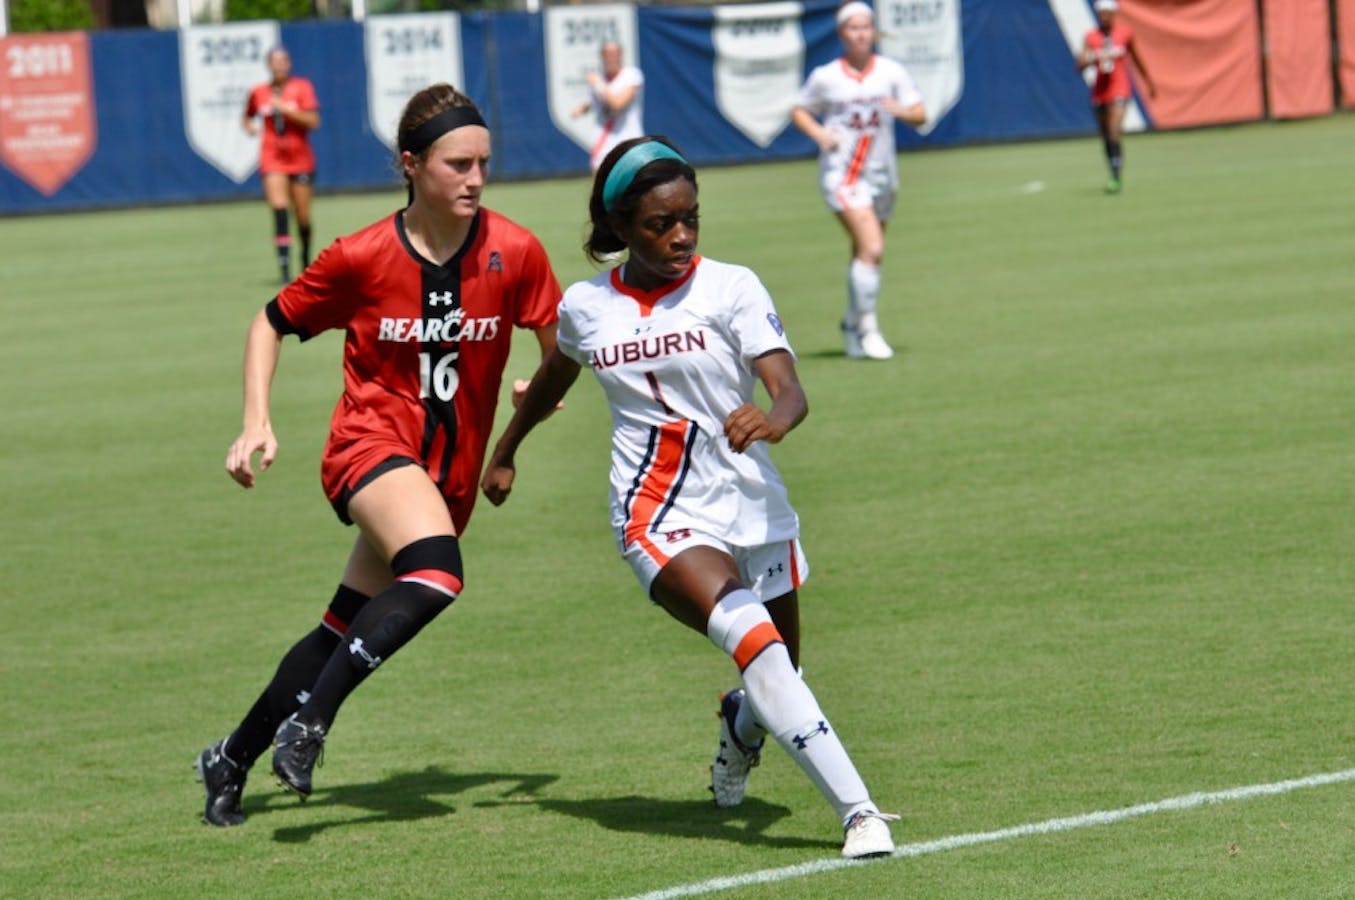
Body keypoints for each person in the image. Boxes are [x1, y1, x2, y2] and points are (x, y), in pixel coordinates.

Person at [480, 135, 899, 859]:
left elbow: (788, 387)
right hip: (654, 515)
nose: (679, 236)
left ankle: (741, 724)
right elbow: (555, 374)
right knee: (759, 649)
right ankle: (859, 814)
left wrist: (773, 419)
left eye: (690, 219)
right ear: (618, 228)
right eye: (659, 224)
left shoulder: (730, 286)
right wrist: (506, 449)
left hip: (751, 501)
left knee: (776, 678)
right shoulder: (585, 306)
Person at [195, 83, 562, 827]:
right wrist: (255, 422)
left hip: (448, 475)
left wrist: (521, 423)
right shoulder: (360, 256)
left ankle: (230, 756)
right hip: (369, 447)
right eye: (457, 164)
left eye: (483, 163)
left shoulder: (514, 251)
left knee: (341, 628)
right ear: (410, 165)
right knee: (436, 573)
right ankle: (311, 726)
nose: (475, 179)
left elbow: (559, 362)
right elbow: (268, 323)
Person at [790, 1, 926, 361]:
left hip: (882, 174)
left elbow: (920, 113)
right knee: (872, 247)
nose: (861, 33)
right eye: (854, 27)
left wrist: (901, 110)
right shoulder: (826, 76)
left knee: (864, 253)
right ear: (841, 34)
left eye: (867, 26)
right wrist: (820, 134)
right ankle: (869, 329)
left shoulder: (891, 71)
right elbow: (800, 109)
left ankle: (850, 325)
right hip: (842, 173)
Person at [243, 46, 321, 285]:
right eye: (275, 61)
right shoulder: (259, 92)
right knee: (279, 209)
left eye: (283, 61)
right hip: (272, 158)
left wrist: (287, 110)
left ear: (289, 64)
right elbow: (247, 115)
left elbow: (313, 121)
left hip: (300, 159)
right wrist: (249, 126)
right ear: (268, 65)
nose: (279, 65)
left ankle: (306, 258)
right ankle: (285, 270)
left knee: (302, 216)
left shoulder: (302, 87)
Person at [1076, 0, 1156, 194]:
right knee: (1106, 137)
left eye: (1107, 13)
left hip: (1119, 89)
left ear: (1114, 14)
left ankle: (1116, 176)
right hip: (1100, 92)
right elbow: (1080, 65)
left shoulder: (1124, 34)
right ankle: (1112, 169)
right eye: (1101, 13)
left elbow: (1137, 58)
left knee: (1114, 131)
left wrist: (1149, 82)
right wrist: (1090, 59)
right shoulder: (1091, 37)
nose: (1104, 17)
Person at [571, 41, 645, 172]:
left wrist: (598, 84)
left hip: (629, 138)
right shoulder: (599, 80)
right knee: (600, 183)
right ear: (602, 57)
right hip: (605, 141)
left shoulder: (631, 75)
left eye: (614, 54)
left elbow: (617, 104)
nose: (611, 58)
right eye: (607, 54)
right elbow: (593, 102)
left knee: (634, 183)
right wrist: (581, 109)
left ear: (620, 55)